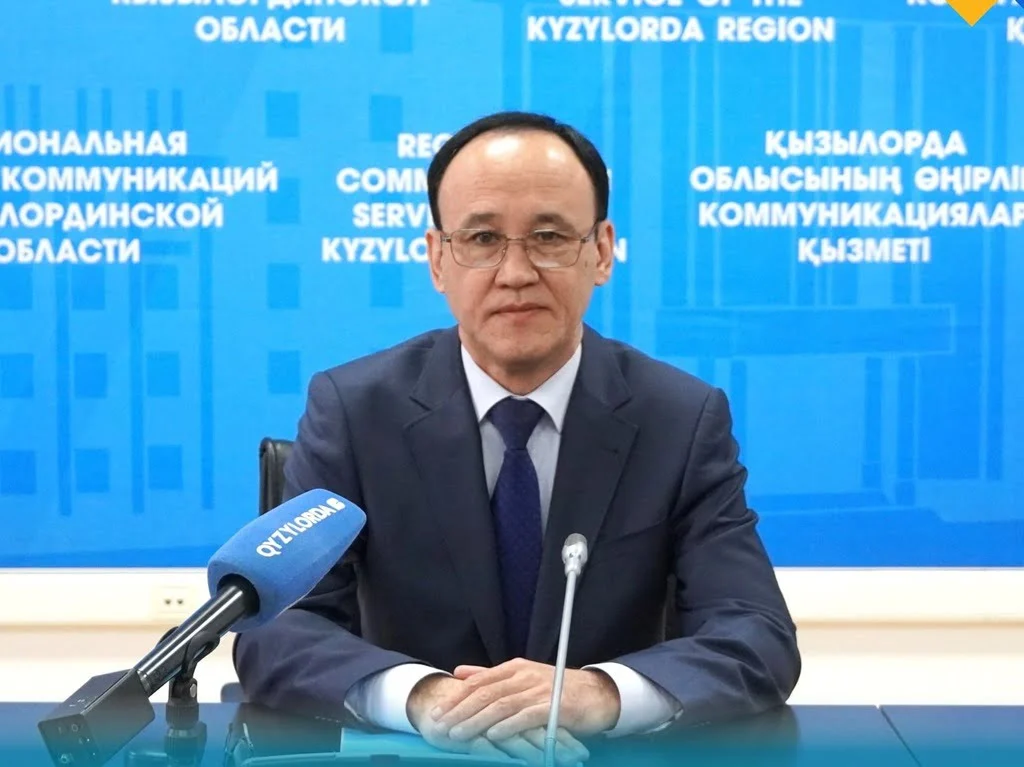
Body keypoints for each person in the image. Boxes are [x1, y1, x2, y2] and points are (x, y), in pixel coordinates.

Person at [234, 111, 801, 765]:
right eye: (481, 238)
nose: (515, 271)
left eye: (549, 237)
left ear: (602, 251)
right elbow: (279, 630)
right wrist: (426, 698)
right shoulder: (355, 411)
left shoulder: (679, 419)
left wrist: (599, 693)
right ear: (437, 259)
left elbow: (755, 635)